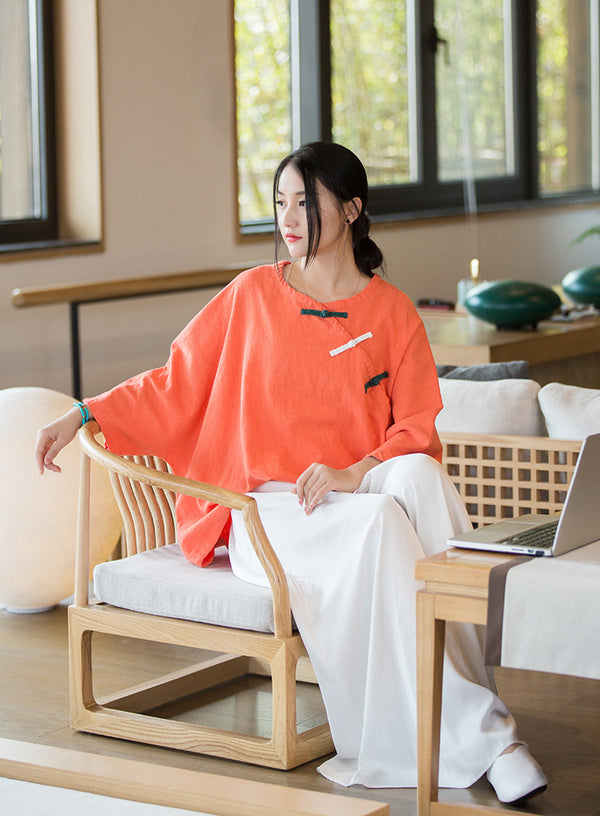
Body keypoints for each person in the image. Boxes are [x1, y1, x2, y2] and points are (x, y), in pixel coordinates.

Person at [35, 141, 547, 802]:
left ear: (352, 209)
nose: (289, 217)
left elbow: (417, 430)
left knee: (420, 478)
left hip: (353, 487)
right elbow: (175, 382)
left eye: (306, 201)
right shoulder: (252, 295)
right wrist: (84, 412)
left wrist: (355, 471)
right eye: (281, 201)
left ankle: (468, 712)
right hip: (269, 511)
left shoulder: (393, 311)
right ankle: (492, 738)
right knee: (380, 524)